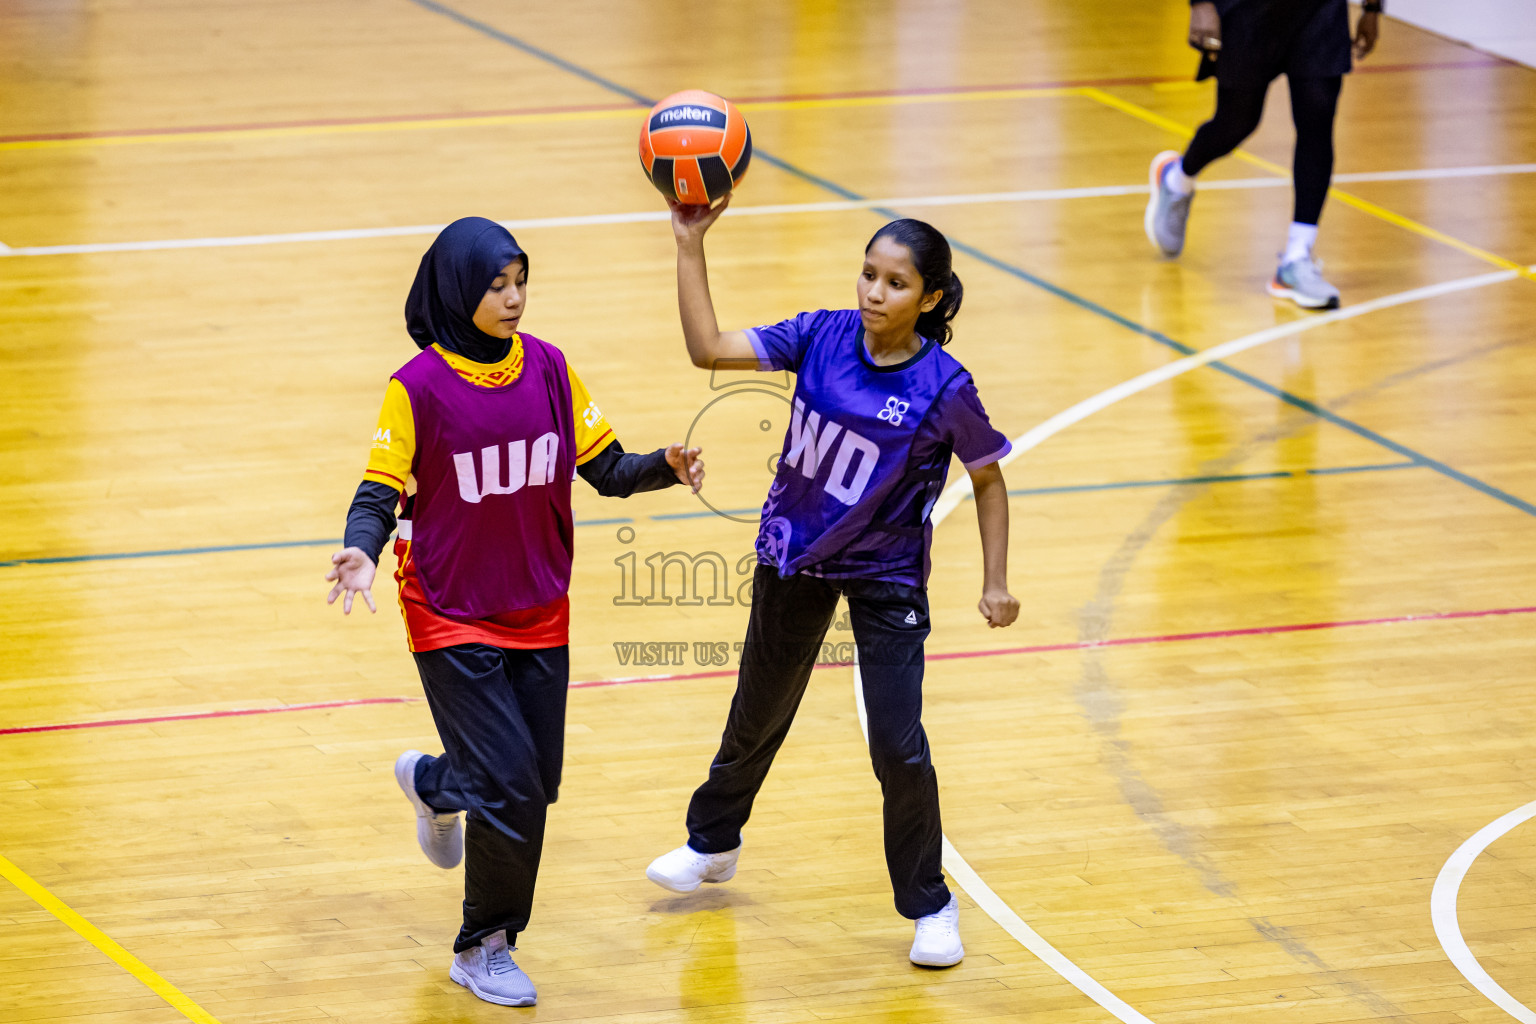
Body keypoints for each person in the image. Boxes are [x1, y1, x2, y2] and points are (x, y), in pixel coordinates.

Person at [324, 216, 704, 1007]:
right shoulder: (417, 386)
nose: (515, 298)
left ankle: (435, 785)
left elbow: (606, 467)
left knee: (533, 783)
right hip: (449, 606)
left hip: (538, 607)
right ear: (462, 289)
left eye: (521, 281)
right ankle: (484, 944)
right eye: (497, 285)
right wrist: (362, 546)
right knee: (512, 790)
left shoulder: (552, 370)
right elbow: (378, 491)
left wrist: (663, 468)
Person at [645, 201, 1020, 968]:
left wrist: (995, 581)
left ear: (932, 298)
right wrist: (689, 242)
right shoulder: (820, 335)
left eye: (896, 282)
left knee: (897, 745)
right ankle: (713, 845)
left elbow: (987, 477)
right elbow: (707, 349)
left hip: (885, 576)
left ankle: (930, 904)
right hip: (796, 555)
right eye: (869, 274)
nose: (874, 292)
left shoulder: (946, 387)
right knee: (757, 714)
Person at [1144, 0, 1384, 309]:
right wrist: (1201, 3)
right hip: (1249, 10)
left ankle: (1297, 258)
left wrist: (1372, 7)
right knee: (1236, 123)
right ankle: (1177, 177)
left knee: (1318, 117)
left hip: (1320, 11)